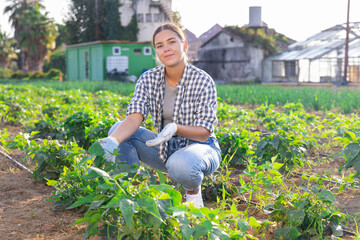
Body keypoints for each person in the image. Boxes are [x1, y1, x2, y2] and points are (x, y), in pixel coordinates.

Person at [98, 23, 221, 208]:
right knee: (117, 131)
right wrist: (113, 141)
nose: (166, 49)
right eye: (160, 45)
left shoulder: (202, 80)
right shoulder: (148, 79)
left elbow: (204, 132)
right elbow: (134, 117)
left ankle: (194, 197)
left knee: (182, 165)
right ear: (156, 51)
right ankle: (130, 194)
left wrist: (176, 128)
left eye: (172, 42)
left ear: (184, 46)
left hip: (200, 148)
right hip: (163, 148)